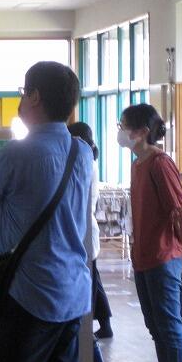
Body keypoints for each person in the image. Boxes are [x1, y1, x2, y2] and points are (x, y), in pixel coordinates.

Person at [0, 61, 93, 362]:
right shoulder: (82, 151)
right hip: (72, 289)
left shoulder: (18, 152)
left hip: (32, 293)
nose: (21, 99)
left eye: (23, 92)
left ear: (35, 96)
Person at [118, 103, 182, 362]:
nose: (120, 132)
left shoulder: (160, 163)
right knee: (156, 328)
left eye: (123, 126)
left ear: (142, 131)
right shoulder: (137, 164)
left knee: (169, 329)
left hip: (163, 258)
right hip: (143, 258)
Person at [68, 122, 113, 339]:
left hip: (85, 229)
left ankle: (88, 334)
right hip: (86, 228)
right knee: (94, 278)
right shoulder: (88, 160)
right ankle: (105, 324)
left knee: (90, 283)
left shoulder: (83, 161)